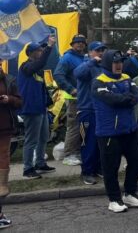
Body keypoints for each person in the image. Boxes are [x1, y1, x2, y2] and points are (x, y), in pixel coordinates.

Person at [91, 49, 138, 213]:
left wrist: (127, 98)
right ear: (108, 63)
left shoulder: (127, 78)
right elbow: (112, 100)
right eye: (115, 62)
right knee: (111, 167)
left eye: (121, 62)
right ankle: (114, 199)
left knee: (137, 162)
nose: (119, 65)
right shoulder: (99, 82)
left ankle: (130, 193)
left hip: (129, 129)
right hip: (109, 132)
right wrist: (127, 98)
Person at [18, 36, 57, 179]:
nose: (41, 52)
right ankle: (27, 169)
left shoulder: (36, 70)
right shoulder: (26, 66)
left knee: (43, 137)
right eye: (39, 50)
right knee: (31, 139)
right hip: (31, 108)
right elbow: (40, 63)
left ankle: (40, 163)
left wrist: (47, 103)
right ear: (31, 53)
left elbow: (41, 87)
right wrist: (49, 47)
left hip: (41, 108)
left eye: (42, 50)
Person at [74, 41, 107, 185]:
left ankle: (98, 168)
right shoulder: (85, 63)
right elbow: (78, 73)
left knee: (101, 141)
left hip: (101, 110)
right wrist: (92, 61)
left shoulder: (103, 66)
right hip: (86, 110)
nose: (101, 52)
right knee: (87, 142)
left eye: (103, 50)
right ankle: (87, 172)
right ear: (91, 52)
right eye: (98, 50)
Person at [53, 34, 88, 166]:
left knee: (82, 126)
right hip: (73, 98)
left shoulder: (84, 57)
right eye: (77, 42)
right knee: (73, 126)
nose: (79, 44)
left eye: (82, 42)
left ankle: (77, 152)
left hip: (84, 98)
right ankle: (69, 155)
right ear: (72, 44)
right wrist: (71, 89)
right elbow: (58, 75)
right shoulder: (67, 57)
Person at [0, 66, 22, 228]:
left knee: (2, 167)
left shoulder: (9, 79)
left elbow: (19, 101)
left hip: (4, 128)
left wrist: (9, 99)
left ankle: (0, 213)